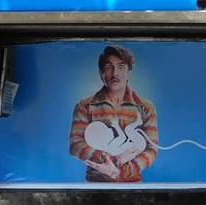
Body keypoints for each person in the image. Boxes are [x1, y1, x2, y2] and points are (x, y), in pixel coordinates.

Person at [68, 45, 158, 182]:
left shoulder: (145, 107)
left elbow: (152, 150)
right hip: (95, 185)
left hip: (133, 186)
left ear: (129, 72)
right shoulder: (84, 106)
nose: (115, 73)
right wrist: (113, 160)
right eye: (109, 67)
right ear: (101, 73)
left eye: (121, 67)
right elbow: (75, 145)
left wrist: (120, 171)